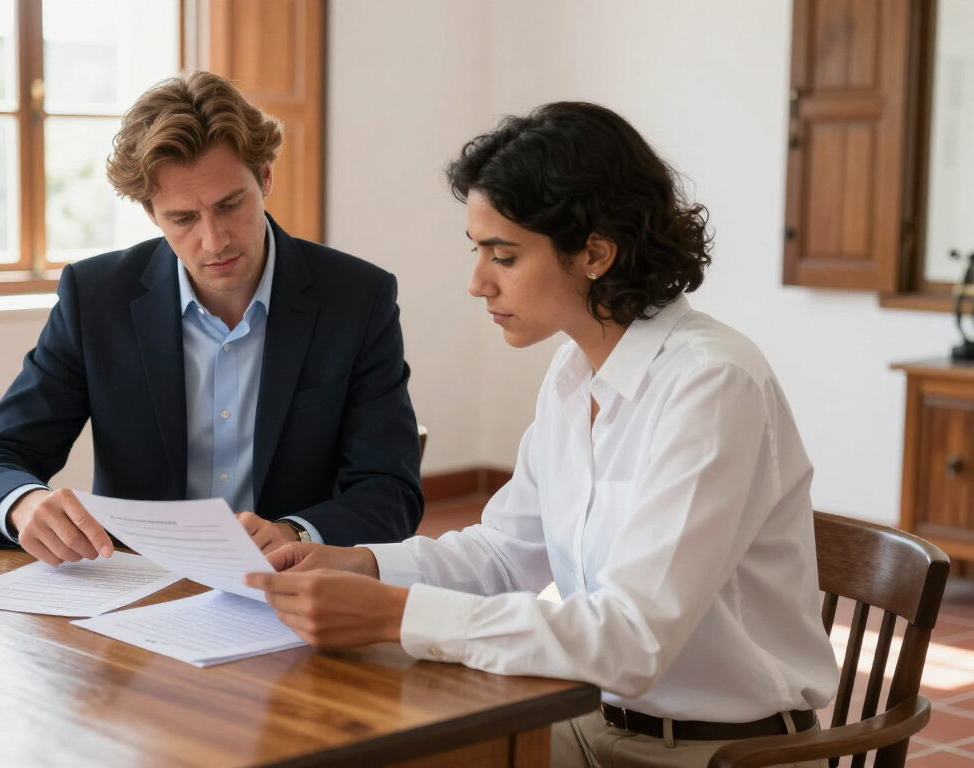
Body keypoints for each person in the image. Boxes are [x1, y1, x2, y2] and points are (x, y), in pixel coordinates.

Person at [246, 102, 839, 768]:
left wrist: (393, 615)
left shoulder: (713, 384)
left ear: (595, 252)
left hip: (721, 754)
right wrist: (365, 563)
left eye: (503, 255)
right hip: (593, 723)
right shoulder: (573, 371)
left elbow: (632, 638)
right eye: (477, 251)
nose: (477, 283)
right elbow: (507, 554)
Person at [0, 72, 423, 564]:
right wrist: (25, 506)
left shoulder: (357, 298)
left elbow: (390, 491)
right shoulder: (96, 298)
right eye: (183, 218)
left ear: (265, 177)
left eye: (230, 205)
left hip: (286, 589)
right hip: (135, 590)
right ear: (151, 213)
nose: (214, 240)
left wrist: (297, 533)